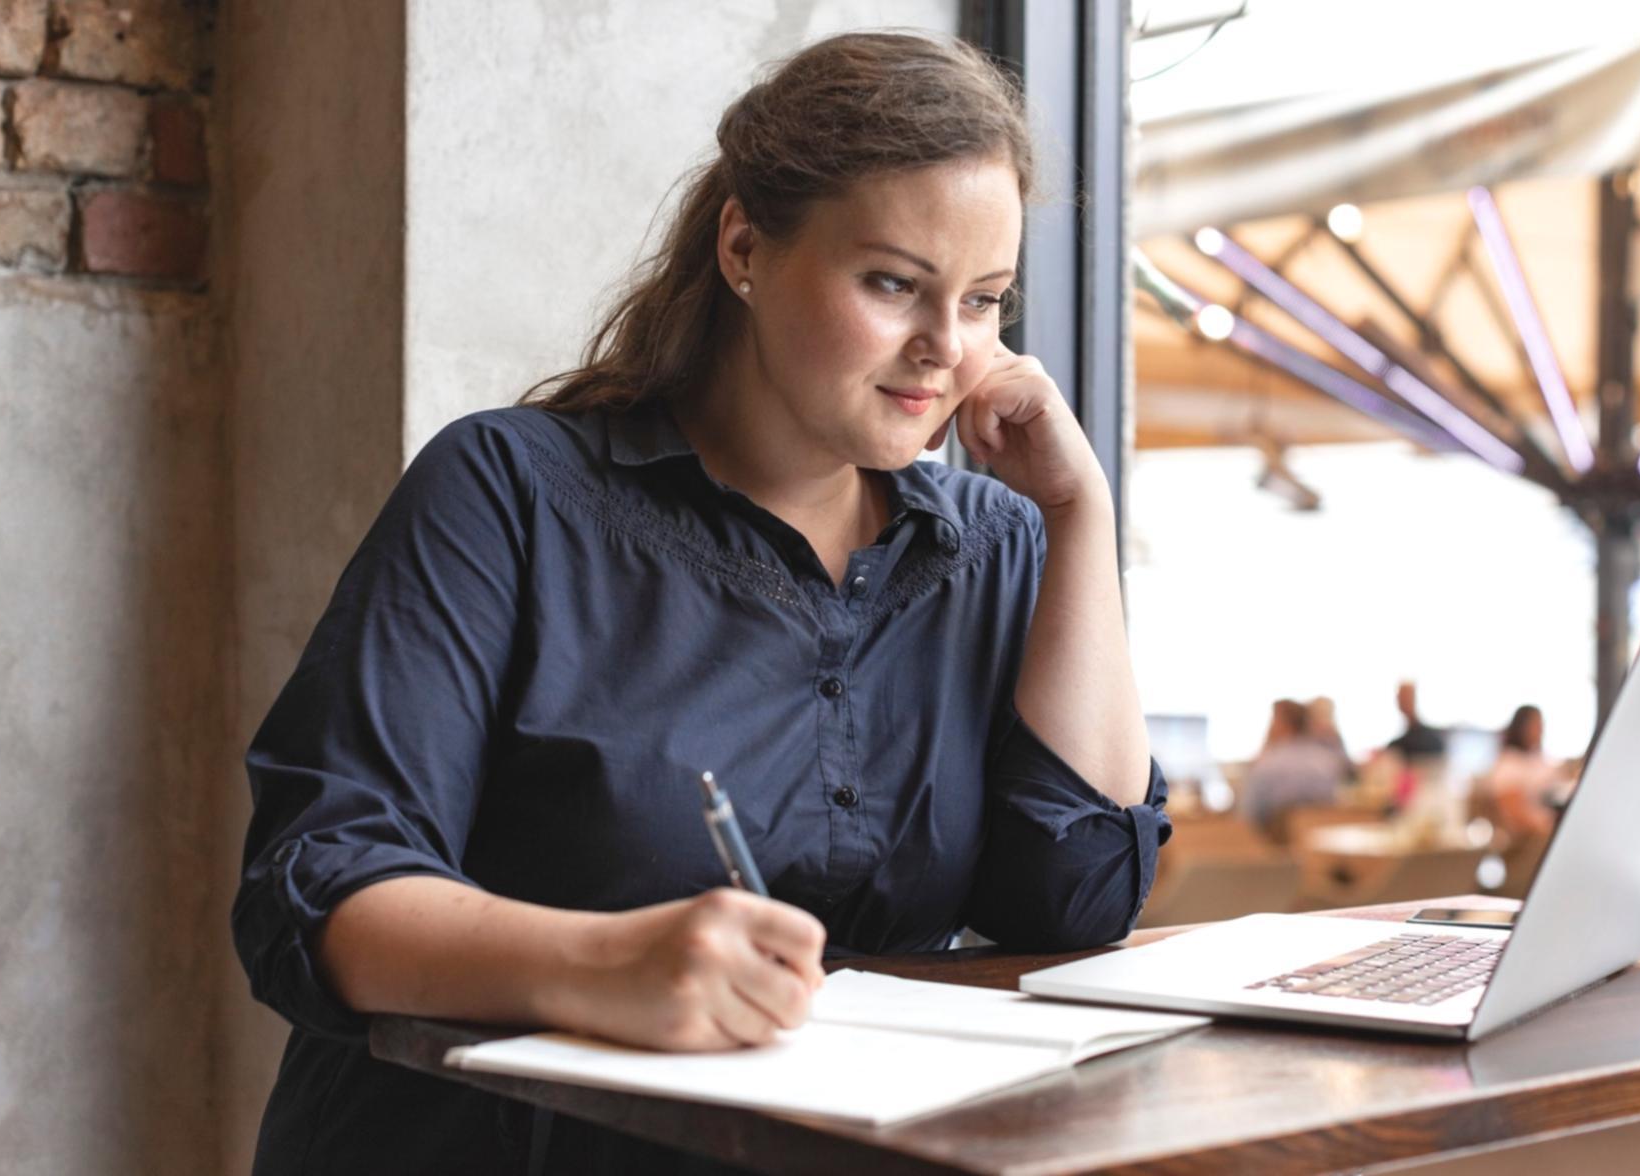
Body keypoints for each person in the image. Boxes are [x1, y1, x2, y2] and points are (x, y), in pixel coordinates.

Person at [229, 32, 1167, 1176]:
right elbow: (315, 886)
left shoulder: (997, 546)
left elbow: (1075, 904)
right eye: (893, 284)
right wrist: (601, 965)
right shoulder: (509, 494)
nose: (945, 350)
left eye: (984, 301)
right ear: (743, 247)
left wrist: (1080, 516)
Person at [1239, 700, 1348, 839]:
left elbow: (1248, 814)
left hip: (1277, 847)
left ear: (1281, 724)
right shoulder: (1328, 762)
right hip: (1318, 842)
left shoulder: (1266, 765)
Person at [1475, 705, 1559, 840]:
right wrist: (1548, 830)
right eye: (1536, 725)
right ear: (1522, 727)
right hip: (1530, 840)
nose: (1541, 730)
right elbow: (1514, 813)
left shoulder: (1538, 760)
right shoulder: (1508, 764)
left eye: (1541, 725)